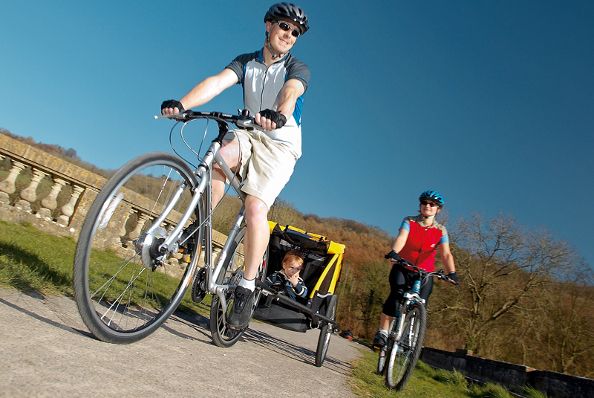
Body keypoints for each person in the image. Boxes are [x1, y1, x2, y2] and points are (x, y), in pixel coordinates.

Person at [161, 3, 310, 330]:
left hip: (280, 145)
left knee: (256, 208)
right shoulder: (247, 61)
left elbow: (290, 91)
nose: (289, 35)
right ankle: (198, 228)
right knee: (218, 159)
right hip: (249, 131)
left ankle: (245, 288)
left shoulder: (297, 68)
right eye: (284, 27)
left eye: (295, 32)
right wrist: (183, 104)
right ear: (269, 25)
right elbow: (216, 81)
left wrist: (279, 114)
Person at [372, 190, 459, 349]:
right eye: (424, 203)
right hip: (403, 267)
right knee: (396, 296)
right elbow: (402, 237)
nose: (428, 206)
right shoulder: (409, 221)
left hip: (425, 274)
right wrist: (395, 253)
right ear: (420, 206)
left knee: (421, 306)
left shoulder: (441, 231)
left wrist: (451, 272)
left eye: (432, 204)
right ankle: (383, 332)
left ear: (437, 209)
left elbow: (446, 254)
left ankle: (409, 339)